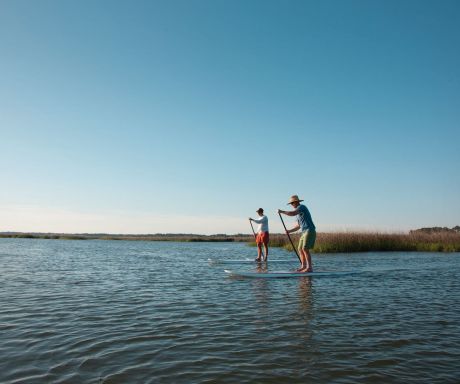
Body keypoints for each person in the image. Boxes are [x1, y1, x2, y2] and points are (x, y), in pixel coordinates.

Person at [278, 195, 316, 272]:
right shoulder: (297, 214)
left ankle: (309, 268)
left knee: (305, 249)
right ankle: (303, 266)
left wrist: (282, 212)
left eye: (292, 203)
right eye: (291, 203)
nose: (291, 205)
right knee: (300, 249)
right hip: (304, 232)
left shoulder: (302, 207)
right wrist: (289, 231)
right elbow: (298, 226)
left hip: (309, 230)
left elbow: (292, 213)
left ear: (297, 202)